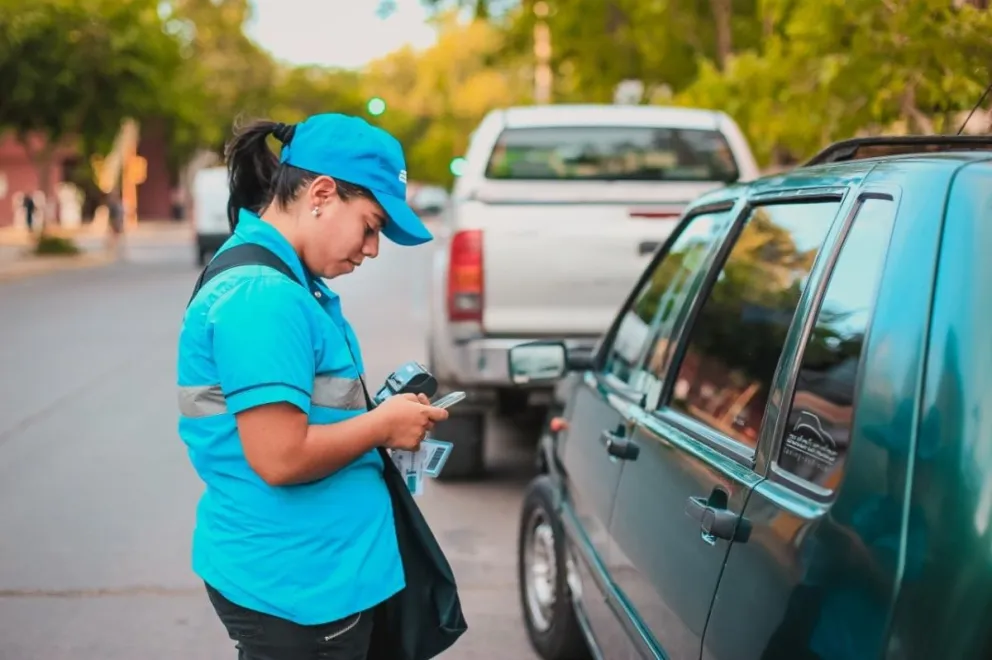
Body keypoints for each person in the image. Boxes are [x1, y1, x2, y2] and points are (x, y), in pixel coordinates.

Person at [176, 113, 450, 660]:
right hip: (299, 588)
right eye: (371, 226)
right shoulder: (263, 297)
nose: (372, 249)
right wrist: (382, 425)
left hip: (315, 574)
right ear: (321, 194)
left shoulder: (288, 282)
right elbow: (280, 456)